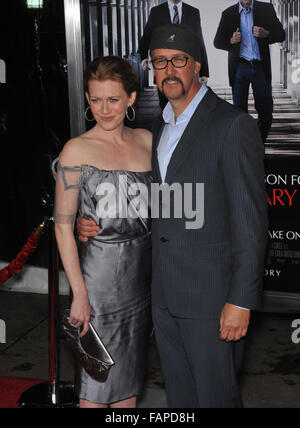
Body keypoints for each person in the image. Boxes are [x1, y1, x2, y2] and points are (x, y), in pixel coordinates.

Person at [78, 24, 268, 408]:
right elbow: (157, 203)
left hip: (213, 299)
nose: (168, 70)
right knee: (180, 399)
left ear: (197, 64)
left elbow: (251, 223)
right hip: (163, 294)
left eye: (178, 60)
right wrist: (95, 222)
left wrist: (242, 300)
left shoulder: (232, 125)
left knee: (215, 398)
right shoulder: (159, 126)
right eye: (159, 61)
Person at [54, 56, 153, 409]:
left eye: (113, 99)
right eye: (95, 99)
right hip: (96, 282)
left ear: (130, 99)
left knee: (128, 384)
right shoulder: (75, 150)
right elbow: (63, 226)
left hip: (139, 282)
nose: (104, 109)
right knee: (94, 386)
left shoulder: (147, 142)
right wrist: (79, 294)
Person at [214, 0, 285, 143]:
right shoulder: (228, 14)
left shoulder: (266, 9)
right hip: (240, 68)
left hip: (260, 68)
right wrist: (231, 41)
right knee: (239, 113)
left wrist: (267, 34)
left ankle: (258, 142)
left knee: (265, 111)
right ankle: (245, 146)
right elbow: (217, 42)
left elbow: (281, 35)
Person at [138, 0, 209, 109]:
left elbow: (199, 42)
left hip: (186, 69)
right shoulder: (156, 12)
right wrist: (144, 58)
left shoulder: (193, 12)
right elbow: (146, 38)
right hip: (163, 70)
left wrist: (203, 72)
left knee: (187, 108)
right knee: (166, 108)